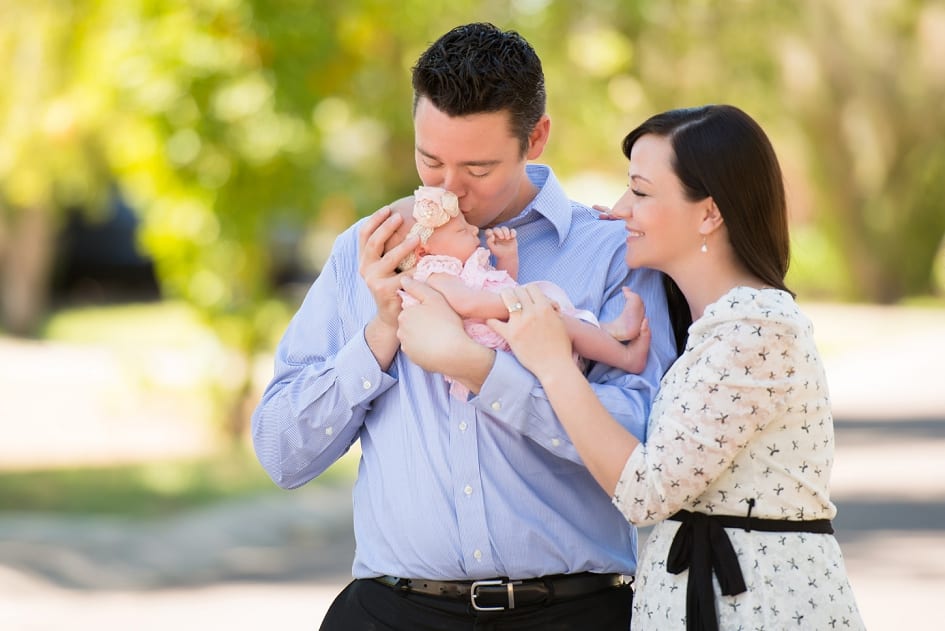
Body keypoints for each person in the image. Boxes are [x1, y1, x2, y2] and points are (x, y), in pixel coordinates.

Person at [251, 22, 678, 631]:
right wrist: (379, 335)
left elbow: (643, 447)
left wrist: (481, 369)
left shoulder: (612, 253)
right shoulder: (365, 250)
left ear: (537, 138)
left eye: (477, 169)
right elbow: (281, 453)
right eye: (430, 160)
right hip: (392, 613)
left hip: (577, 615)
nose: (447, 190)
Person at [406, 104, 863, 630]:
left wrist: (554, 365)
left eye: (641, 192)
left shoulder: (756, 327)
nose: (620, 209)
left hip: (760, 611)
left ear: (709, 213)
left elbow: (646, 491)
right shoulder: (712, 325)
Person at [387, 186, 651, 399]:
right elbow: (468, 304)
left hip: (507, 325)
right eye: (460, 229)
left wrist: (507, 258)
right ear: (423, 251)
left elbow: (503, 284)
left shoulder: (464, 268)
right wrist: (520, 305)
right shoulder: (435, 273)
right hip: (494, 340)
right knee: (561, 326)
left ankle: (613, 331)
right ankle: (626, 356)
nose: (472, 230)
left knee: (566, 326)